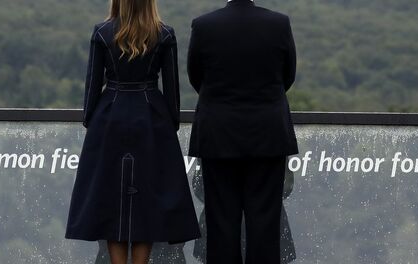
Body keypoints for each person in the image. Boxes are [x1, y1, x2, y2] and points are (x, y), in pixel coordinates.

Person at [65, 0, 201, 263]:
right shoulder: (164, 34)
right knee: (146, 201)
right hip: (152, 119)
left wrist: (90, 121)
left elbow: (92, 87)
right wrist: (169, 124)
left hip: (110, 118)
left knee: (112, 199)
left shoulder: (102, 32)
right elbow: (172, 90)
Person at [187, 0, 299, 263]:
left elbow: (196, 77)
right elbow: (288, 76)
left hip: (218, 135)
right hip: (268, 134)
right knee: (265, 223)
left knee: (221, 222)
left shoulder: (204, 25)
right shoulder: (279, 23)